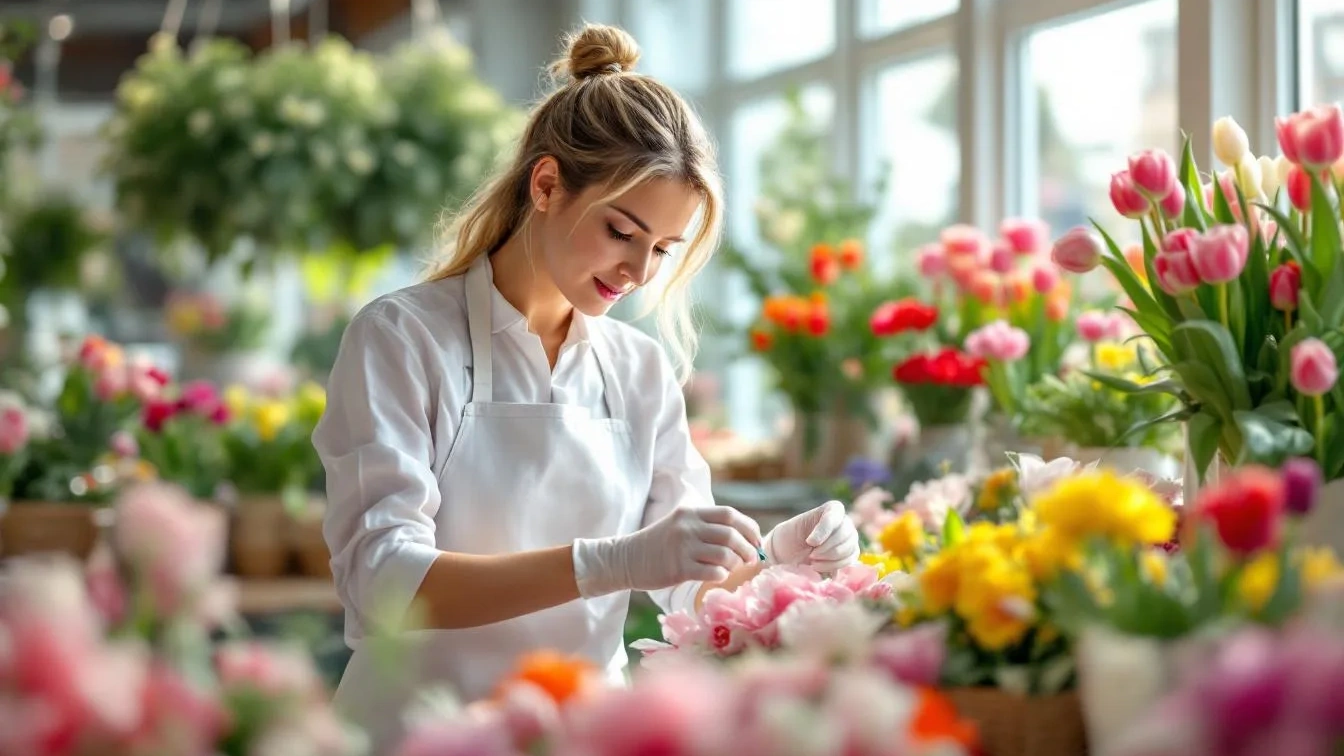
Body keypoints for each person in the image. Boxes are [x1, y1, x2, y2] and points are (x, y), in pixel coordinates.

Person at [313, 23, 861, 752]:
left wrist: (774, 565)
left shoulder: (638, 370)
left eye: (662, 249)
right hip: (417, 732)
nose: (639, 271)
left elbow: (690, 592)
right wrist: (610, 562)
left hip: (583, 734)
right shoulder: (403, 338)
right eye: (621, 232)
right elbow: (383, 583)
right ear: (545, 185)